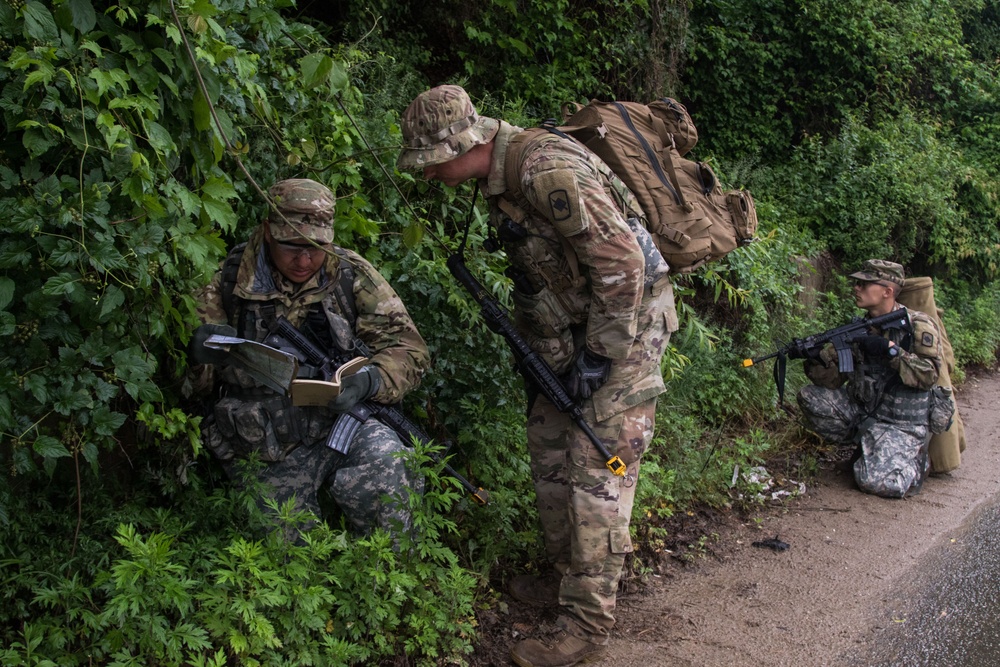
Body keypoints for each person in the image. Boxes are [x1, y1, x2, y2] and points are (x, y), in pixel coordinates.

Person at [397, 85, 678, 667]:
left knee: (597, 468)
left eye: (429, 162)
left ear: (461, 144)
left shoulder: (546, 171)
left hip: (627, 326)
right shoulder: (501, 180)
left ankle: (586, 627)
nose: (427, 175)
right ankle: (564, 580)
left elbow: (622, 261)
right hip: (575, 329)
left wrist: (600, 356)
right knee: (549, 448)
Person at [187, 178, 430, 538]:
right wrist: (196, 358)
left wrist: (373, 379)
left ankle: (392, 583)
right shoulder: (226, 281)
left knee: (389, 465)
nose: (304, 260)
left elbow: (410, 349)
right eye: (291, 247)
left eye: (316, 247)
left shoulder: (350, 274)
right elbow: (192, 388)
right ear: (268, 232)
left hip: (336, 425)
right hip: (264, 444)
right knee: (284, 559)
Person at [796, 259, 944, 498]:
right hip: (866, 415)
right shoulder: (861, 329)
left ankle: (916, 465)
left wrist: (890, 350)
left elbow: (929, 375)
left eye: (865, 284)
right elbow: (832, 382)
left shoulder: (917, 325)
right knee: (811, 397)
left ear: (887, 291)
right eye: (857, 283)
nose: (856, 288)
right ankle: (868, 449)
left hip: (901, 423)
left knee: (873, 482)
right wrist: (815, 359)